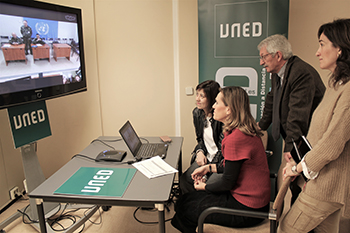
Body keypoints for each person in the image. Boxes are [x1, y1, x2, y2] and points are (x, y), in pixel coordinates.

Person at [278, 18, 350, 233]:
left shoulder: (348, 90)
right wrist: (301, 161)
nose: (317, 51)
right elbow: (319, 134)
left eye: (322, 44)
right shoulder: (335, 84)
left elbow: (332, 143)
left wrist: (299, 169)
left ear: (339, 49)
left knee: (287, 229)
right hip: (321, 181)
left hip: (326, 186)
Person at [172, 86, 271, 232]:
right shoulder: (240, 130)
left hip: (248, 208)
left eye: (217, 103)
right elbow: (231, 166)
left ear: (229, 109)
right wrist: (209, 168)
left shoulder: (236, 138)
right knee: (184, 200)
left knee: (186, 209)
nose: (213, 106)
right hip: (253, 201)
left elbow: (227, 182)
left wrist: (205, 187)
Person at [257, 34, 325, 204]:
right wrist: (260, 126)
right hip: (297, 137)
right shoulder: (277, 73)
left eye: (264, 57)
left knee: (303, 183)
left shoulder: (300, 73)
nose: (261, 62)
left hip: (308, 138)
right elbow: (272, 99)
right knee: (296, 182)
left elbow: (298, 114)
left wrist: (290, 148)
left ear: (278, 55)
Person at [179, 80, 224, 194]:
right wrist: (199, 152)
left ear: (212, 98)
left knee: (207, 185)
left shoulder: (220, 118)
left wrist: (207, 172)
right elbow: (200, 139)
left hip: (220, 162)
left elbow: (222, 150)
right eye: (197, 94)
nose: (197, 99)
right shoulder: (197, 113)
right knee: (185, 180)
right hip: (207, 158)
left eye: (202, 96)